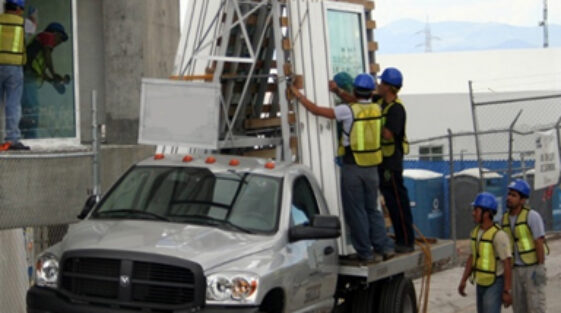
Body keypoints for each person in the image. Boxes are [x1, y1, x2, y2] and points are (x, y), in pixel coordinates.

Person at [290, 73, 394, 262]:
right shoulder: (377, 109)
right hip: (372, 167)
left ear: (355, 90)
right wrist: (338, 91)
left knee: (357, 211)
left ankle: (365, 253)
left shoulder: (348, 111)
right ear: (371, 91)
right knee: (372, 209)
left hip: (353, 167)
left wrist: (298, 95)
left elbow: (317, 111)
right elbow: (357, 103)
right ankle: (384, 247)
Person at [376, 67, 414, 253]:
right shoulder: (380, 103)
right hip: (382, 162)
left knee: (398, 202)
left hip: (391, 164)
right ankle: (400, 239)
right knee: (391, 203)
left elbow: (389, 134)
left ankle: (406, 240)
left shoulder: (396, 110)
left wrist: (372, 125)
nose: (378, 85)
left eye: (382, 83)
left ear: (389, 87)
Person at [458, 192, 513, 313]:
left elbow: (507, 263)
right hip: (481, 282)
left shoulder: (498, 235)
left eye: (476, 210)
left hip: (494, 283)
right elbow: (472, 258)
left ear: (487, 213)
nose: (473, 213)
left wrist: (507, 290)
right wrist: (463, 280)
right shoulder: (475, 232)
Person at [502, 179, 548, 313]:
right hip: (515, 270)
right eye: (509, 194)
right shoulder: (504, 219)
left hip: (532, 269)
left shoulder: (532, 216)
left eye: (513, 195)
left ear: (522, 200)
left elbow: (538, 242)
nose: (509, 198)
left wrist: (540, 267)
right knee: (519, 308)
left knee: (536, 306)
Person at [20, 22, 68, 138]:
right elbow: (47, 55)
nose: (58, 43)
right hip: (27, 77)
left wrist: (52, 80)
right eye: (60, 39)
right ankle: (30, 137)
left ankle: (25, 134)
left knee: (28, 109)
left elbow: (40, 71)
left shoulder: (41, 44)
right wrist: (54, 73)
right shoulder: (47, 36)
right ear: (55, 33)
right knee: (32, 108)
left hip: (28, 77)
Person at [0, 0, 30, 150]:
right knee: (13, 104)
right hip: (14, 67)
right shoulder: (22, 23)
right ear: (18, 9)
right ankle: (12, 139)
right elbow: (34, 28)